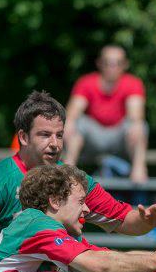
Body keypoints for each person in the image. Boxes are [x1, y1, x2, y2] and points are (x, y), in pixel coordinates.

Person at [0, 90, 156, 271]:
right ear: (23, 137)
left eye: (59, 135)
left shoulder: (73, 180)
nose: (55, 143)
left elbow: (123, 220)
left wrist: (147, 220)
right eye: (44, 135)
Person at [62, 45, 148, 182]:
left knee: (138, 125)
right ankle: (67, 171)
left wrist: (135, 124)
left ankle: (139, 169)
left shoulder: (132, 83)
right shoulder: (86, 82)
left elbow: (135, 114)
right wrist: (70, 123)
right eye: (108, 62)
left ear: (125, 65)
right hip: (93, 139)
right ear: (99, 63)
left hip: (120, 138)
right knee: (74, 122)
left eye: (117, 63)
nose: (112, 67)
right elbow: (73, 112)